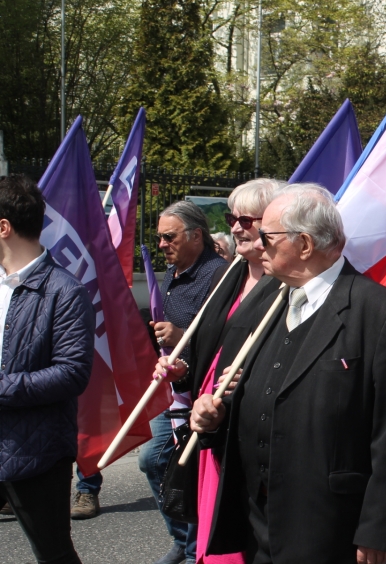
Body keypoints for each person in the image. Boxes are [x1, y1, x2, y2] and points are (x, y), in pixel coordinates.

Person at [190, 183, 386, 563]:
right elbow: (254, 394)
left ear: (304, 245)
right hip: (256, 520)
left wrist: (378, 530)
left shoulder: (378, 313)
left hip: (328, 525)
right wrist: (215, 418)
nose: (257, 245)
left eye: (267, 237)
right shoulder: (267, 303)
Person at [154, 179, 286, 564]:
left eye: (247, 220)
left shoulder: (286, 284)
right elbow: (207, 350)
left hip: (247, 429)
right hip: (210, 420)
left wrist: (251, 379)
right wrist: (182, 370)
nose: (236, 228)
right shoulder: (230, 275)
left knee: (241, 536)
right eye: (232, 219)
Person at [0, 175, 94, 564]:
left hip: (35, 450)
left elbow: (72, 373)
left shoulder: (65, 291)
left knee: (54, 554)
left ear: (3, 227)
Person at [141, 200, 227, 564]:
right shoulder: (173, 271)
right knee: (153, 461)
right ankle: (181, 539)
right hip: (173, 388)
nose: (162, 244)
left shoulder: (219, 275)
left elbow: (225, 338)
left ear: (196, 235)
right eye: (159, 237)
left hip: (200, 391)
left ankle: (193, 551)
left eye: (169, 237)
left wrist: (181, 337)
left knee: (185, 467)